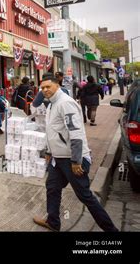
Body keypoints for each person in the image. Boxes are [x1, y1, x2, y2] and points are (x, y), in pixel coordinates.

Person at [33, 73, 118, 232]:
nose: (44, 90)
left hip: (72, 160)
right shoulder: (51, 104)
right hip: (58, 159)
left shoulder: (65, 103)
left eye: (48, 86)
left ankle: (111, 230)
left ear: (57, 85)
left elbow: (76, 133)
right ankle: (53, 222)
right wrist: (49, 151)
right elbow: (53, 131)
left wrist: (76, 161)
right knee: (52, 187)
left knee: (85, 196)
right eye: (42, 87)